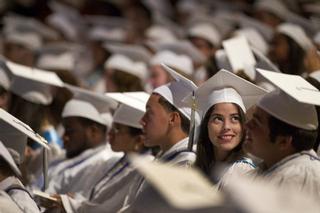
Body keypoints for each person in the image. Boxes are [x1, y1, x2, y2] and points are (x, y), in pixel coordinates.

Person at [45, 92, 152, 213]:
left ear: (138, 140)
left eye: (117, 129)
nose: (110, 134)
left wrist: (70, 204)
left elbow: (110, 208)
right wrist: (75, 198)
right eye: (112, 128)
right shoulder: (119, 160)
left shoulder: (142, 169)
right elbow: (95, 196)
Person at [120, 64, 198, 211]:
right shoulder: (165, 157)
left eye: (149, 113)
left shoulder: (186, 166)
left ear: (173, 119)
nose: (141, 121)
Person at [245, 69, 320, 200]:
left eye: (256, 122)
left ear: (284, 142)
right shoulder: (266, 168)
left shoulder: (299, 178)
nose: (247, 125)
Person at [193, 69, 266, 187]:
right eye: (218, 119)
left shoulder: (243, 172)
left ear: (243, 125)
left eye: (235, 118)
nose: (226, 127)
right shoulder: (201, 167)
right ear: (206, 124)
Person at [45, 97, 119, 195]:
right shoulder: (74, 154)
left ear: (93, 131)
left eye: (70, 131)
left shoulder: (100, 165)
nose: (64, 138)